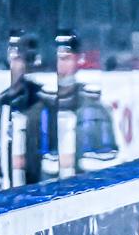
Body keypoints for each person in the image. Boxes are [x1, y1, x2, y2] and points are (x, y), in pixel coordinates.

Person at [29, 29, 119, 182]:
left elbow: (109, 161)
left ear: (78, 60)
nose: (61, 65)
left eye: (67, 58)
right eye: (58, 59)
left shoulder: (95, 110)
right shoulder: (40, 110)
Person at [0, 30, 44, 193]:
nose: (18, 64)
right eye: (15, 58)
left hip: (36, 193)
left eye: (22, 58)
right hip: (7, 195)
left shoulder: (40, 102)